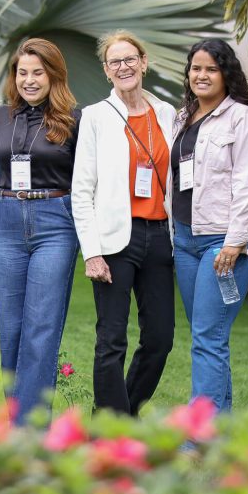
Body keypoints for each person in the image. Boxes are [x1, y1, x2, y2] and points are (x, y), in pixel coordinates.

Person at [71, 30, 176, 417]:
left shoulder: (166, 113)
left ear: (144, 62)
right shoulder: (96, 116)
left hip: (160, 237)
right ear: (106, 70)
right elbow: (82, 190)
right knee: (111, 339)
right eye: (115, 62)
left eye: (130, 59)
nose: (124, 67)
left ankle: (123, 415)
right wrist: (92, 253)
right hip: (115, 240)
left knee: (160, 339)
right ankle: (108, 428)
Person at [170, 39, 248, 413]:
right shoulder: (183, 116)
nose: (202, 75)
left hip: (225, 242)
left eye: (212, 68)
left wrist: (234, 241)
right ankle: (219, 428)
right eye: (196, 68)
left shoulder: (244, 118)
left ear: (227, 74)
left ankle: (201, 433)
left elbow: (246, 182)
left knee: (208, 336)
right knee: (208, 335)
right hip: (186, 239)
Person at [0, 38, 80, 425]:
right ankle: (18, 421)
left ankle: (30, 430)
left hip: (55, 222)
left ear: (53, 75)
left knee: (41, 327)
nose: (29, 80)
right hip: (6, 221)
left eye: (38, 73)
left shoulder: (74, 120)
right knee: (11, 329)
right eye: (22, 72)